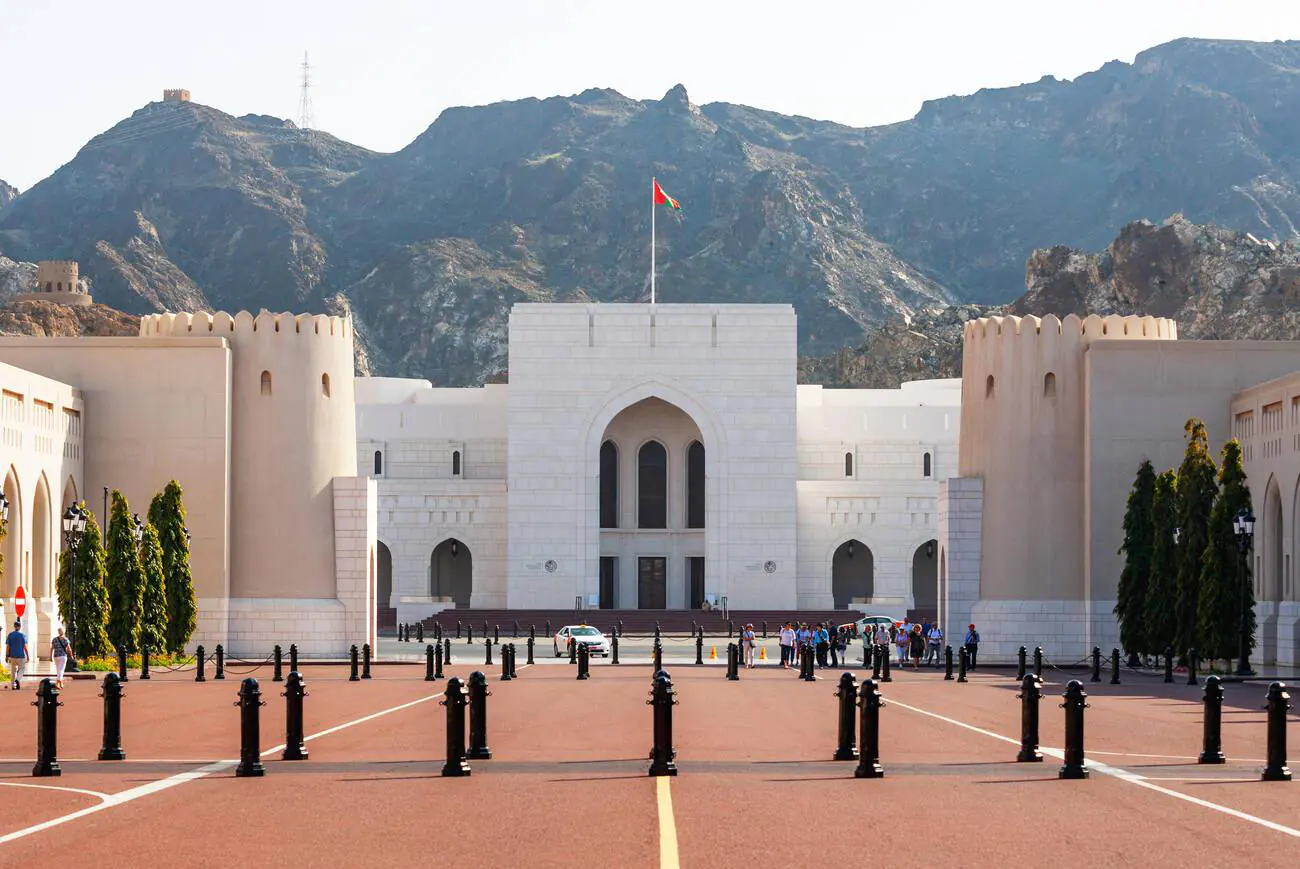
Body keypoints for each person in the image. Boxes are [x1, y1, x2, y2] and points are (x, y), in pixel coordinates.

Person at [5, 620, 29, 690]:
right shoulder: (22, 635)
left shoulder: (10, 635)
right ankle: (18, 680)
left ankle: (13, 685)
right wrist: (28, 656)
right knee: (22, 668)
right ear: (20, 627)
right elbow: (25, 647)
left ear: (14, 626)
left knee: (13, 670)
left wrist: (6, 655)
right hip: (21, 656)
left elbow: (8, 646)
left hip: (12, 656)